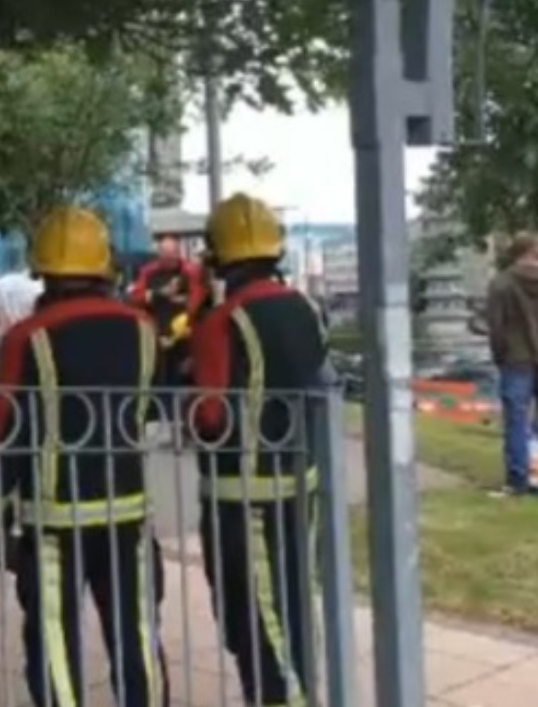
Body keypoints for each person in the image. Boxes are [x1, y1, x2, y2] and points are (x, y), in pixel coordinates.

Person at [0, 205, 168, 707]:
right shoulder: (143, 328)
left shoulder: (25, 338)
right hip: (127, 511)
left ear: (44, 273)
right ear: (104, 269)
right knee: (137, 632)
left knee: (54, 639)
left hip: (54, 519)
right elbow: (148, 409)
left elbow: (1, 430)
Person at [188, 192, 328, 707]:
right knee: (294, 607)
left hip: (241, 495)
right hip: (300, 481)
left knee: (256, 622)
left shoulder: (222, 321)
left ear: (218, 254)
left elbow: (209, 417)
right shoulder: (306, 308)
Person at [485, 231, 538, 496]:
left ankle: (518, 480)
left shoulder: (501, 284)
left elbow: (496, 326)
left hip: (516, 358)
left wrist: (499, 355)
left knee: (516, 419)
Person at [129, 235, 208, 387]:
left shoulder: (190, 272)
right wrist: (158, 294)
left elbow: (197, 301)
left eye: (171, 258)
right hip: (155, 333)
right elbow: (134, 298)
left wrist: (183, 302)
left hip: (183, 338)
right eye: (164, 258)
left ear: (178, 254)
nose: (168, 262)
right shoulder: (148, 272)